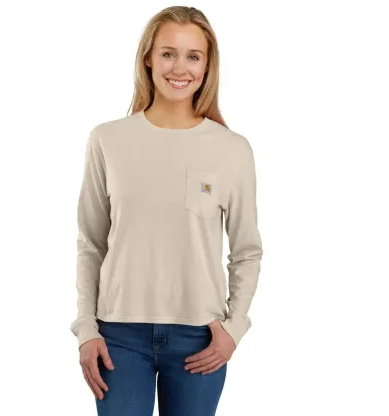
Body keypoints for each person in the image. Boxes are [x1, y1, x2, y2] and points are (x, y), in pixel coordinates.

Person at [70, 5, 263, 415]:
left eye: (193, 56)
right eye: (168, 53)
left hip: (200, 338)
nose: (180, 68)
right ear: (148, 59)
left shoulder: (232, 149)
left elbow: (247, 251)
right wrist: (86, 329)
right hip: (118, 336)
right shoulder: (108, 140)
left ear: (207, 66)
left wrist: (235, 329)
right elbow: (91, 244)